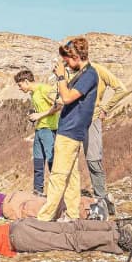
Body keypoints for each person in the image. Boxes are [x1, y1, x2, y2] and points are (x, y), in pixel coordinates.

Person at [37, 38, 99, 222]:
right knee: (72, 177)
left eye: (67, 60)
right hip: (70, 130)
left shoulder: (89, 74)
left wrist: (62, 76)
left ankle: (44, 218)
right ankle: (72, 215)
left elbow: (68, 97)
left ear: (77, 56)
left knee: (57, 176)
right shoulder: (83, 74)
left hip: (70, 132)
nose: (66, 64)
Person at [85, 60, 125, 214]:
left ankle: (102, 199)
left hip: (92, 119)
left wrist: (105, 108)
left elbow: (121, 88)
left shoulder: (97, 69)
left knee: (93, 160)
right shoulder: (72, 71)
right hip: (75, 121)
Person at [14, 69, 59, 195]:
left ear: (26, 81)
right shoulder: (32, 93)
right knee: (38, 163)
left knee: (51, 162)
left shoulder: (44, 89)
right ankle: (37, 192)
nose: (19, 88)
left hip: (49, 129)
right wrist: (34, 114)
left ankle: (58, 192)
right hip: (39, 130)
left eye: (20, 85)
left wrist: (39, 115)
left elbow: (58, 106)